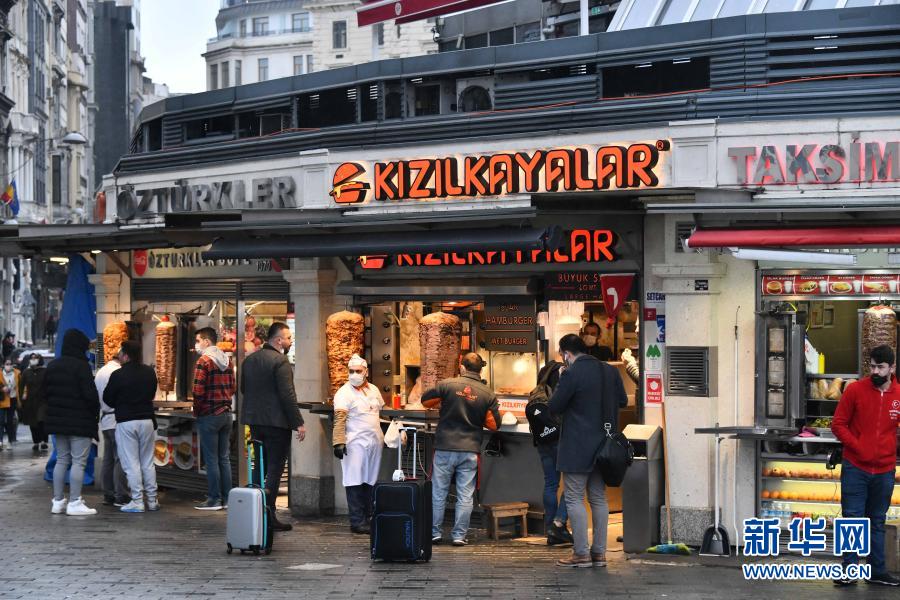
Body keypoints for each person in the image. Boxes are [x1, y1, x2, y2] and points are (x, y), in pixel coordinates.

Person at [549, 333, 627, 568]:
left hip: (577, 445)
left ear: (566, 354)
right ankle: (599, 554)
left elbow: (555, 406)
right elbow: (622, 401)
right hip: (604, 446)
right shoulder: (610, 371)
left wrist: (561, 380)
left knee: (574, 497)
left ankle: (581, 553)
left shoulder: (571, 373)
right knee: (598, 498)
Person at [831, 344, 900, 587]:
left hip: (884, 470)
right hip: (855, 468)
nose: (875, 371)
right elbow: (838, 425)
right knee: (852, 519)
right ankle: (849, 570)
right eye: (872, 366)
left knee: (877, 521)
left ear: (892, 368)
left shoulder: (898, 395)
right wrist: (858, 446)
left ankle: (876, 571)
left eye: (881, 367)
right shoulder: (855, 390)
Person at [423, 352, 501, 546]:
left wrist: (444, 403)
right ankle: (459, 536)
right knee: (465, 495)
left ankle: (434, 533)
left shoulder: (447, 385)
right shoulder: (487, 393)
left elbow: (425, 401)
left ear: (462, 366)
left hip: (444, 447)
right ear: (480, 370)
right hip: (469, 450)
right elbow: (494, 425)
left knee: (438, 492)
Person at [240, 322, 306, 531]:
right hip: (277, 424)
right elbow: (287, 395)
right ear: (279, 340)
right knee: (275, 469)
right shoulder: (280, 361)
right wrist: (298, 422)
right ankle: (269, 515)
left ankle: (255, 513)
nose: (291, 341)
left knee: (259, 466)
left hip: (255, 421)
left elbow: (243, 389)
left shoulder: (249, 360)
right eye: (288, 337)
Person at [44, 329, 100, 516]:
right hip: (80, 423)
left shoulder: (52, 366)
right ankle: (75, 502)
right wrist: (94, 414)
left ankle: (58, 501)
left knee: (61, 460)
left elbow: (45, 394)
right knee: (78, 462)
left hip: (57, 423)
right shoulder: (82, 367)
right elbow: (90, 396)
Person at [104, 340, 159, 513]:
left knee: (131, 463)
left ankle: (137, 500)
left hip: (126, 421)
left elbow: (107, 398)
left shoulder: (117, 375)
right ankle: (152, 500)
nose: (119, 356)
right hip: (147, 420)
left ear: (126, 356)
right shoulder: (149, 372)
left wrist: (120, 403)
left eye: (121, 353)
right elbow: (152, 393)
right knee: (148, 462)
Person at [332, 354, 384, 534]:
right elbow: (339, 419)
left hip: (374, 442)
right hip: (354, 443)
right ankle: (357, 521)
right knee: (354, 480)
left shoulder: (374, 390)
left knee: (370, 479)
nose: (354, 374)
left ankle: (369, 517)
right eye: (351, 371)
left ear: (366, 372)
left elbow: (381, 412)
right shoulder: (344, 393)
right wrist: (338, 442)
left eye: (358, 371)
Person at [526, 359, 574, 546]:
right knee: (573, 484)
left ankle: (550, 529)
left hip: (543, 442)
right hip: (562, 438)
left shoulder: (540, 385)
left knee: (551, 484)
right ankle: (558, 524)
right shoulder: (562, 378)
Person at [192, 327, 236, 511]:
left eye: (198, 340)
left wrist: (197, 411)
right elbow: (232, 388)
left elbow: (197, 391)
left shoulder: (204, 361)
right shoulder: (227, 360)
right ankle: (227, 498)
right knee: (224, 458)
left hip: (209, 415)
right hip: (226, 414)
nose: (196, 344)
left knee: (211, 459)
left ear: (206, 341)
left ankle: (213, 499)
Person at [94, 351, 129, 507]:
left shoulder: (100, 372)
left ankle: (108, 494)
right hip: (116, 419)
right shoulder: (118, 372)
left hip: (105, 419)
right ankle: (121, 495)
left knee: (107, 459)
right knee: (120, 458)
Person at [19, 353, 49, 452]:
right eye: (31, 358)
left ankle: (44, 441)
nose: (33, 359)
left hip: (43, 401)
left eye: (35, 358)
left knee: (41, 420)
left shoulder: (45, 371)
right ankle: (36, 442)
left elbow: (49, 384)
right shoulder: (26, 372)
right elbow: (21, 386)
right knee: (33, 423)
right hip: (30, 402)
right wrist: (21, 399)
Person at [0, 358, 19, 448]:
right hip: (2, 399)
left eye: (10, 364)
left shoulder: (17, 373)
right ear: (3, 365)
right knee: (1, 420)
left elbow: (20, 385)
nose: (8, 365)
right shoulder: (0, 374)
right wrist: (2, 389)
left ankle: (10, 441)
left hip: (12, 399)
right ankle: (0, 441)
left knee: (10, 421)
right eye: (7, 364)